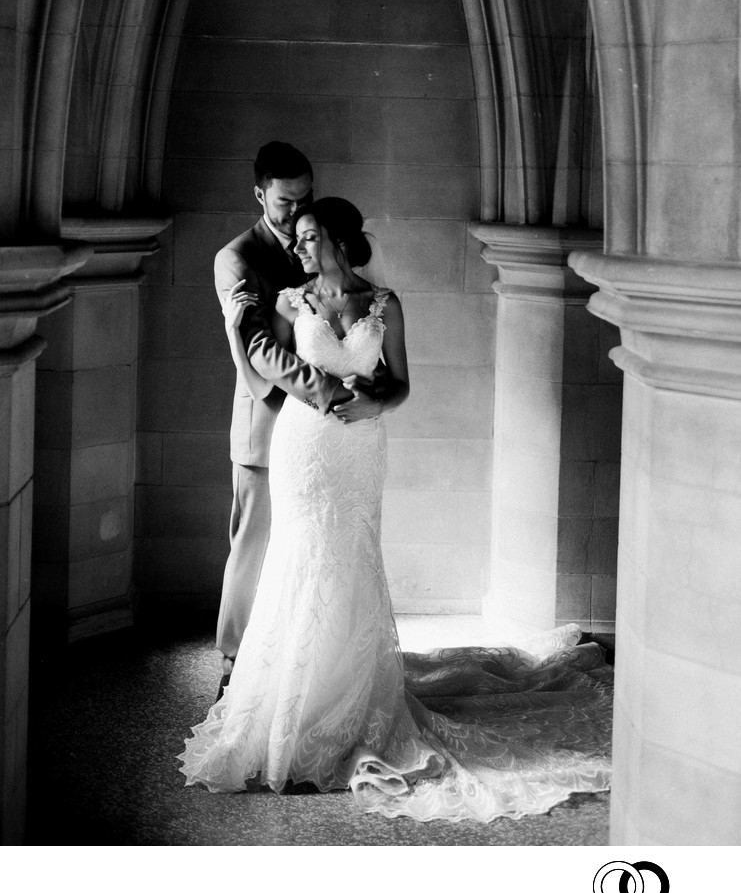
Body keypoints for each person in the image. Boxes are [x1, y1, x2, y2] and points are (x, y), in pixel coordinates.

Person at [181, 197, 612, 825]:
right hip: (303, 445)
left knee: (349, 558)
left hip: (359, 449)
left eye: (308, 237)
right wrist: (266, 352)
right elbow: (260, 375)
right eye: (296, 238)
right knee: (299, 557)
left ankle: (350, 702)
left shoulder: (384, 305)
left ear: (336, 239)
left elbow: (402, 382)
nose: (298, 248)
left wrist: (376, 404)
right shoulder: (289, 302)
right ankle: (286, 707)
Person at [212, 143, 351, 689]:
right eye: (284, 202)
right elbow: (258, 350)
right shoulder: (237, 258)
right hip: (267, 424)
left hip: (315, 433)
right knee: (252, 545)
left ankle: (296, 665)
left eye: (304, 199)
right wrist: (326, 389)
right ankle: (232, 664)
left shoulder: (317, 240)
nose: (297, 212)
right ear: (259, 195)